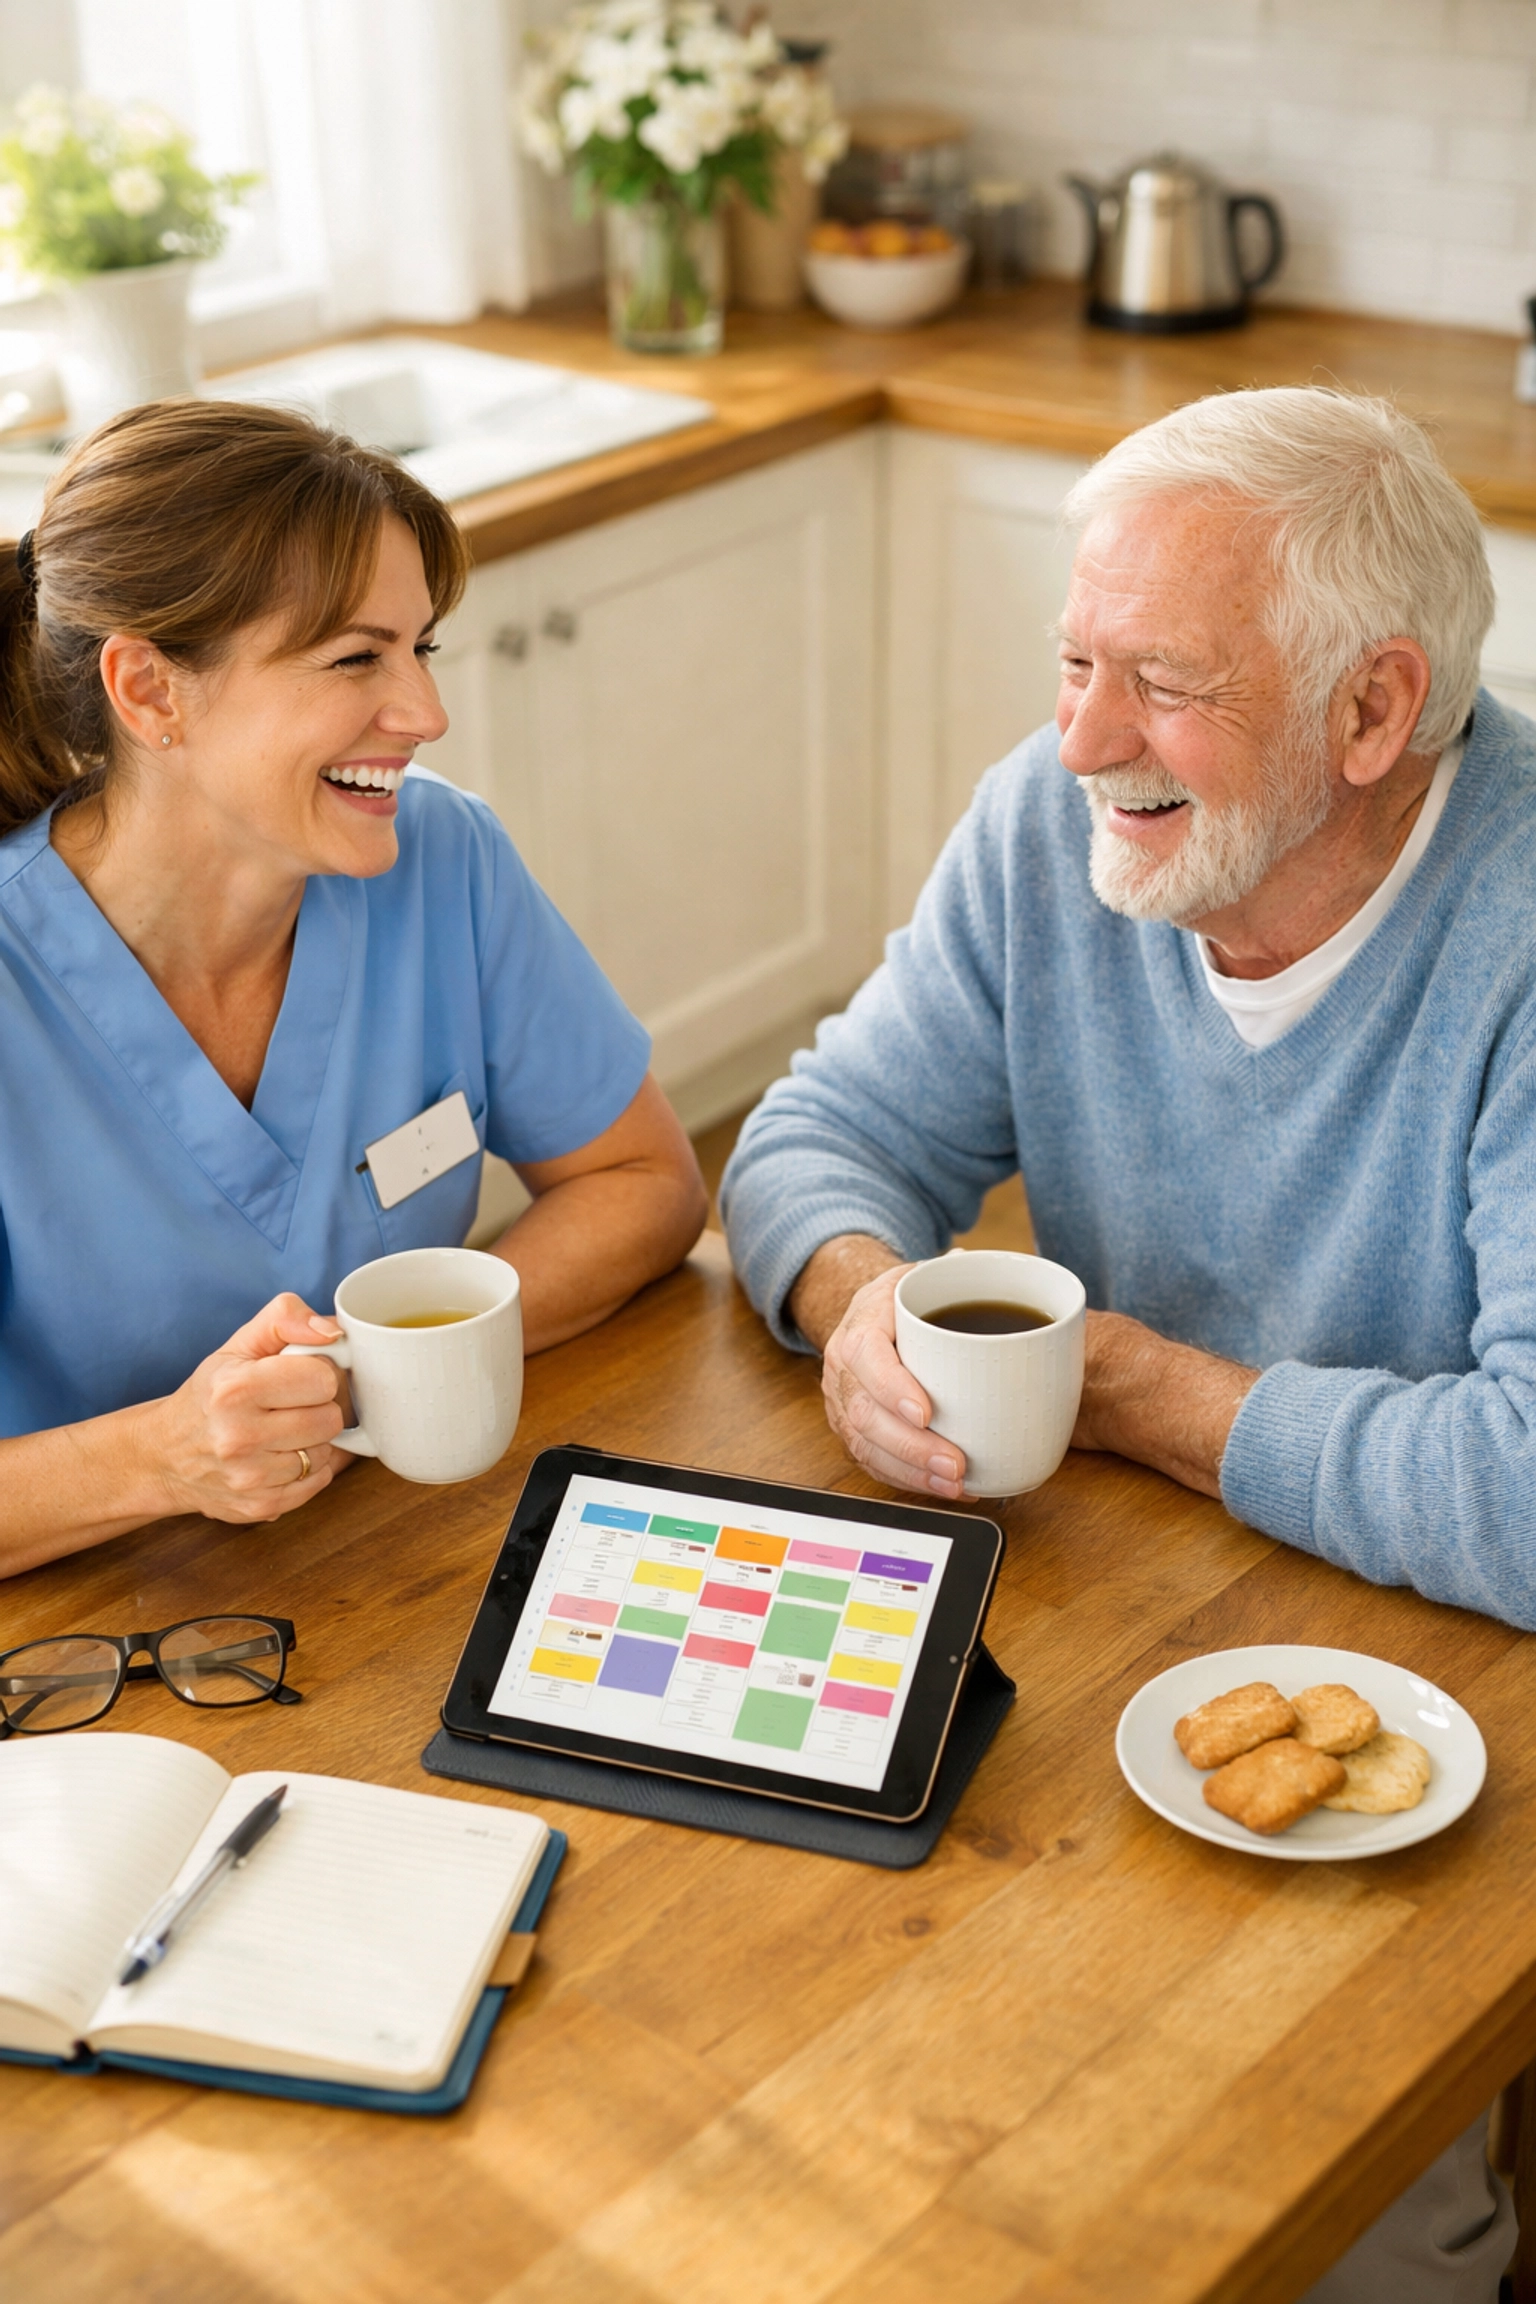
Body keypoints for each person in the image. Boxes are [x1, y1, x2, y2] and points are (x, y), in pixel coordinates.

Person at [722, 386, 1528, 2301]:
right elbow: (816, 1133)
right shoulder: (1053, 815)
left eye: (1159, 682)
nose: (1082, 739)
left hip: (1443, 1708)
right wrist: (855, 1305)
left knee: (1321, 2226)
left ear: (1372, 710)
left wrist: (1142, 1394)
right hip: (1112, 1625)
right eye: (1074, 659)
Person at [0, 399, 706, 1576]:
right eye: (353, 659)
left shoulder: (441, 862)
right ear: (150, 692)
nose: (426, 715)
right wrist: (164, 1457)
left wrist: (377, 1375)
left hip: (395, 1554)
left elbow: (641, 1184)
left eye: (418, 647)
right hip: (96, 1635)